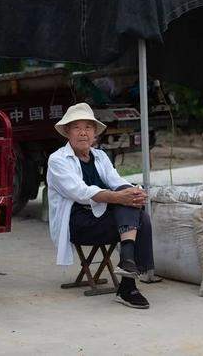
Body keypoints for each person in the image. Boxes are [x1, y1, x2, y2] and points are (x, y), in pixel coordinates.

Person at [46, 103, 160, 309]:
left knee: (131, 202)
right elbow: (80, 193)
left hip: (102, 217)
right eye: (77, 127)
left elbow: (116, 181)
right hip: (78, 223)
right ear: (67, 132)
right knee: (134, 212)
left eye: (88, 127)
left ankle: (127, 267)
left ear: (94, 133)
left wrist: (133, 192)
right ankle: (128, 282)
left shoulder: (100, 156)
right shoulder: (57, 160)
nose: (83, 133)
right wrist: (120, 197)